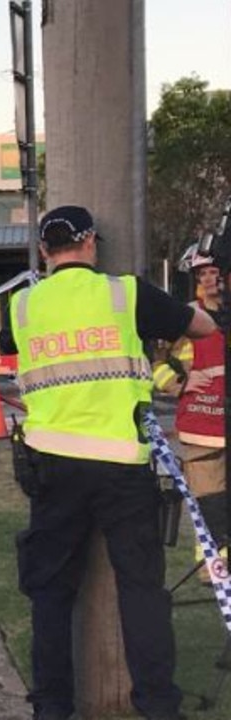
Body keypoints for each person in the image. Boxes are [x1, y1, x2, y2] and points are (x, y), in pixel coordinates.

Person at [0, 205, 215, 720]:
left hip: (50, 464)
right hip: (121, 464)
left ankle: (51, 707)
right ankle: (159, 707)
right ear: (90, 242)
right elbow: (202, 325)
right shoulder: (125, 293)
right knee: (141, 591)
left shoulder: (23, 306)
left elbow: (10, 350)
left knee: (50, 592)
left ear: (45, 252)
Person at [152, 248, 227, 585]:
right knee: (209, 499)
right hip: (201, 427)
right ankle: (214, 569)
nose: (210, 279)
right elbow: (154, 364)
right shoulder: (184, 318)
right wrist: (180, 384)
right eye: (203, 275)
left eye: (214, 272)